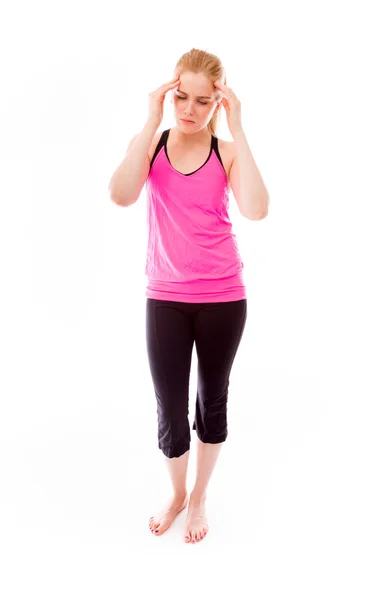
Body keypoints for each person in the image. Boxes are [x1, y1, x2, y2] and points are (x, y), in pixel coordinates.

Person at [108, 48, 269, 544]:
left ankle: (200, 497)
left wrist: (238, 127)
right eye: (182, 96)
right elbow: (120, 193)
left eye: (203, 101)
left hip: (224, 298)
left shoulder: (226, 150)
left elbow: (257, 209)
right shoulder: (150, 144)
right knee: (169, 403)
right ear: (170, 92)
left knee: (211, 402)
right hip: (165, 298)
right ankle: (177, 493)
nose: (191, 109)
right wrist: (148, 121)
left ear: (217, 102)